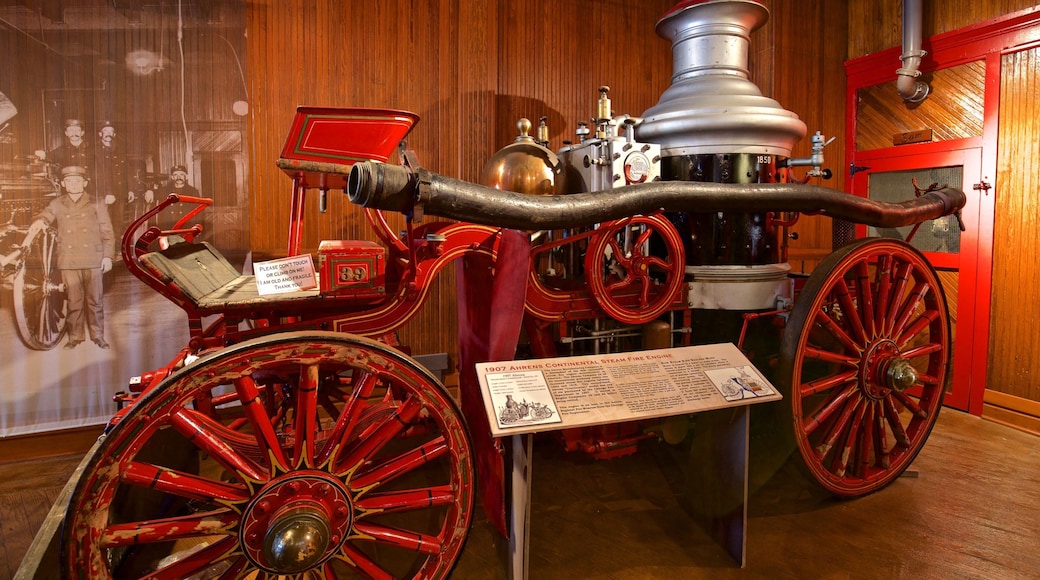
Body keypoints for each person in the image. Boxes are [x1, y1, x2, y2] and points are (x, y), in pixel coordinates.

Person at [24, 165, 115, 349]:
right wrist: (39, 222)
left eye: (78, 180)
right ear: (64, 184)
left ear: (85, 183)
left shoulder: (97, 202)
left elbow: (108, 232)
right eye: (69, 181)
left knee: (95, 301)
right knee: (74, 302)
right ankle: (75, 337)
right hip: (68, 260)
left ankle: (98, 336)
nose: (74, 184)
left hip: (93, 259)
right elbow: (46, 215)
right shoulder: (57, 204)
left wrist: (108, 257)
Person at [93, 121, 131, 235]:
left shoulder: (120, 150)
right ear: (100, 134)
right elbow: (98, 174)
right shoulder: (94, 150)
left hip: (119, 192)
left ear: (114, 134)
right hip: (101, 193)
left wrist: (130, 189)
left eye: (111, 131)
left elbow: (126, 171)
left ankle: (116, 250)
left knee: (118, 222)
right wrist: (107, 193)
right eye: (105, 131)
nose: (108, 134)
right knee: (103, 221)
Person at [156, 164, 211, 239]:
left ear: (186, 176)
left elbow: (198, 212)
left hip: (186, 228)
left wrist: (196, 228)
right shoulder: (164, 191)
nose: (179, 177)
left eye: (182, 174)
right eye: (175, 175)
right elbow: (160, 212)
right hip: (169, 228)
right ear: (172, 177)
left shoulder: (193, 192)